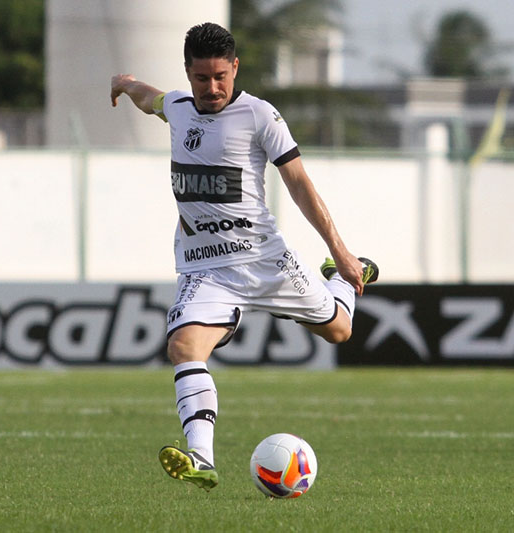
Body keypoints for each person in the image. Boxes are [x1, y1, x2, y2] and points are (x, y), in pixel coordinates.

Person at [110, 22, 378, 491]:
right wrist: (126, 83)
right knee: (183, 348)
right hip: (206, 269)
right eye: (200, 78)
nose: (211, 88)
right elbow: (149, 97)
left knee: (339, 329)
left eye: (220, 77)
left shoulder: (260, 116)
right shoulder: (177, 107)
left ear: (235, 68)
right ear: (187, 74)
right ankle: (202, 458)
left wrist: (340, 250)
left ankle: (338, 277)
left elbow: (299, 184)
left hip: (266, 262)